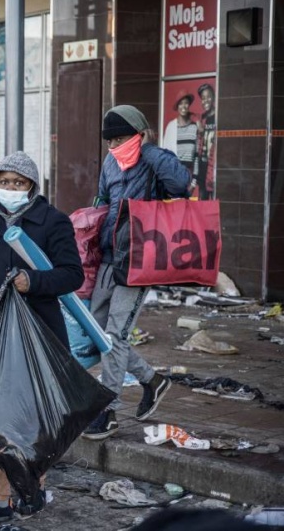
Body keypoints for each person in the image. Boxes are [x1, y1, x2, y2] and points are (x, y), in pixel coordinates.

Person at [0, 152, 84, 526]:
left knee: (31, 422)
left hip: (37, 336)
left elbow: (72, 275)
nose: (11, 189)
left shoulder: (53, 222)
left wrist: (33, 282)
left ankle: (32, 490)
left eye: (19, 183)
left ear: (32, 187)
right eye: (5, 182)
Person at [82, 105, 191, 440]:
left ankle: (109, 410)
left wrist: (147, 150)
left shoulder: (156, 158)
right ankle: (153, 380)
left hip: (140, 261)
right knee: (98, 333)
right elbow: (102, 200)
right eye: (111, 139)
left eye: (122, 137)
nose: (116, 144)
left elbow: (181, 185)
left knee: (115, 336)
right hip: (109, 257)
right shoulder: (110, 162)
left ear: (140, 133)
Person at [197, 83, 216, 200]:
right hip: (203, 166)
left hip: (214, 166)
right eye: (203, 98)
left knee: (214, 202)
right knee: (202, 201)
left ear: (213, 97)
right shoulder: (202, 119)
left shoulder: (220, 116)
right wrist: (201, 132)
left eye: (208, 96)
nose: (206, 100)